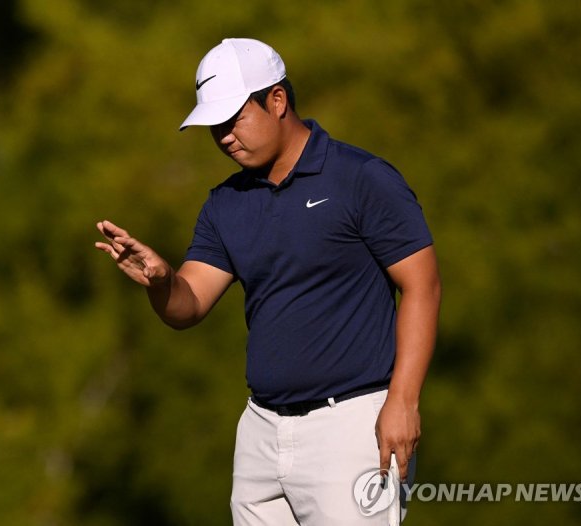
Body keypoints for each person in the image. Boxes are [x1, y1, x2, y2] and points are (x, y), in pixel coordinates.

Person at [94, 38, 441, 525]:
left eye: (232, 118)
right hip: (261, 431)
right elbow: (188, 305)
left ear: (277, 100)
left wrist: (403, 402)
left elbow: (422, 286)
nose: (223, 136)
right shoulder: (225, 203)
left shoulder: (361, 178)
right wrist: (160, 279)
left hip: (352, 428)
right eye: (214, 125)